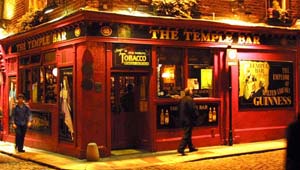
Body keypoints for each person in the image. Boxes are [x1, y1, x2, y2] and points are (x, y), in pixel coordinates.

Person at [177, 88, 199, 155]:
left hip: (182, 119)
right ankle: (181, 148)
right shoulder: (190, 99)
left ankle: (191, 147)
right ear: (189, 92)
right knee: (187, 134)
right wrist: (196, 116)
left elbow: (179, 109)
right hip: (188, 119)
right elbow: (192, 109)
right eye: (191, 91)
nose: (192, 92)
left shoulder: (182, 99)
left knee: (188, 133)